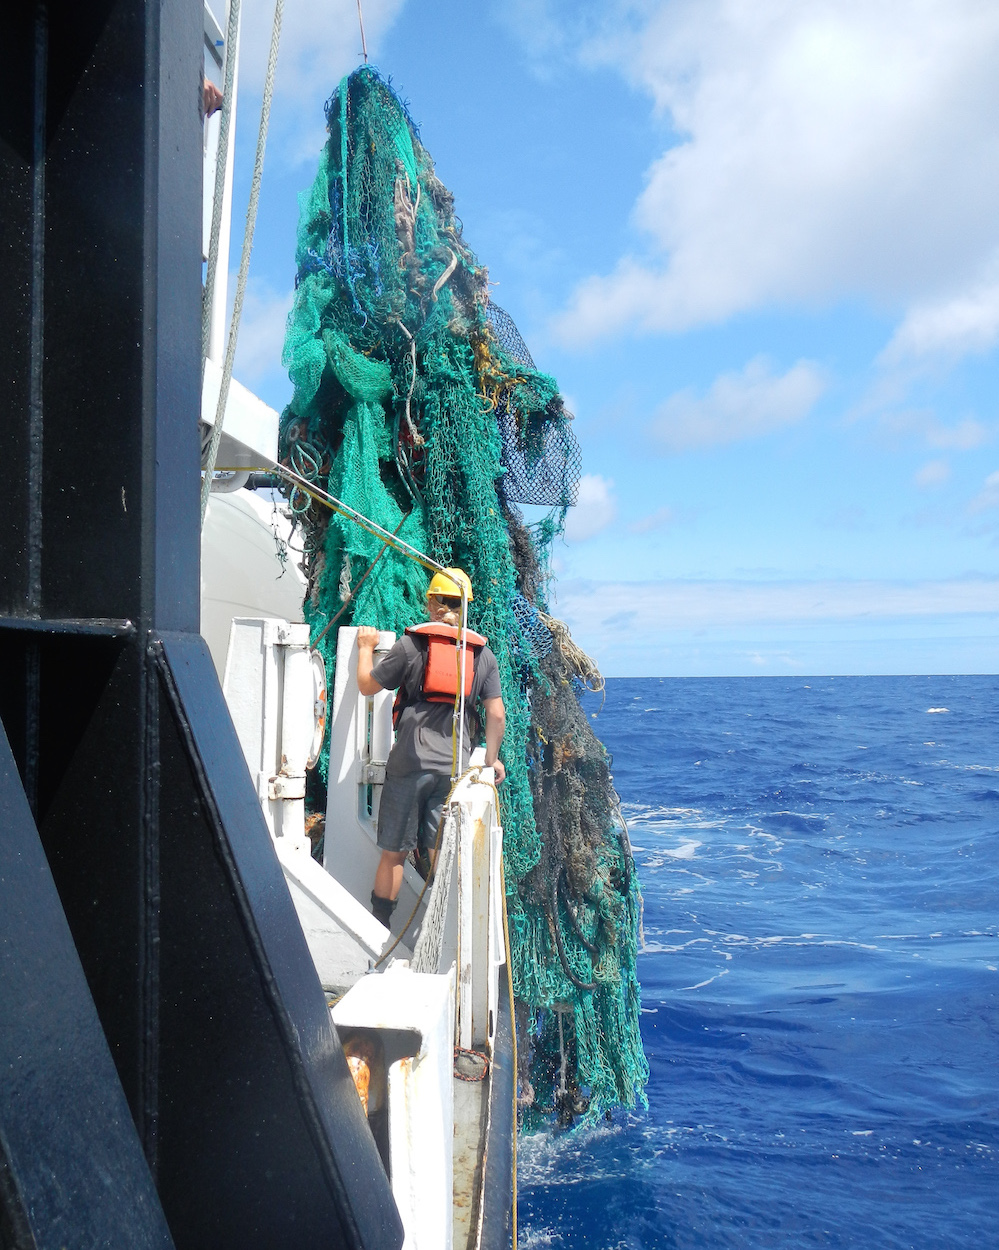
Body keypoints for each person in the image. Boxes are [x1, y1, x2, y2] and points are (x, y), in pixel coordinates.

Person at [356, 568, 506, 929]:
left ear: (433, 605)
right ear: (466, 607)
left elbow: (366, 686)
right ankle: (445, 934)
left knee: (394, 853)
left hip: (409, 763)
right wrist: (489, 759)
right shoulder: (482, 656)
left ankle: (379, 931)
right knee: (442, 854)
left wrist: (364, 648)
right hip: (453, 771)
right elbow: (496, 715)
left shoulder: (411, 646)